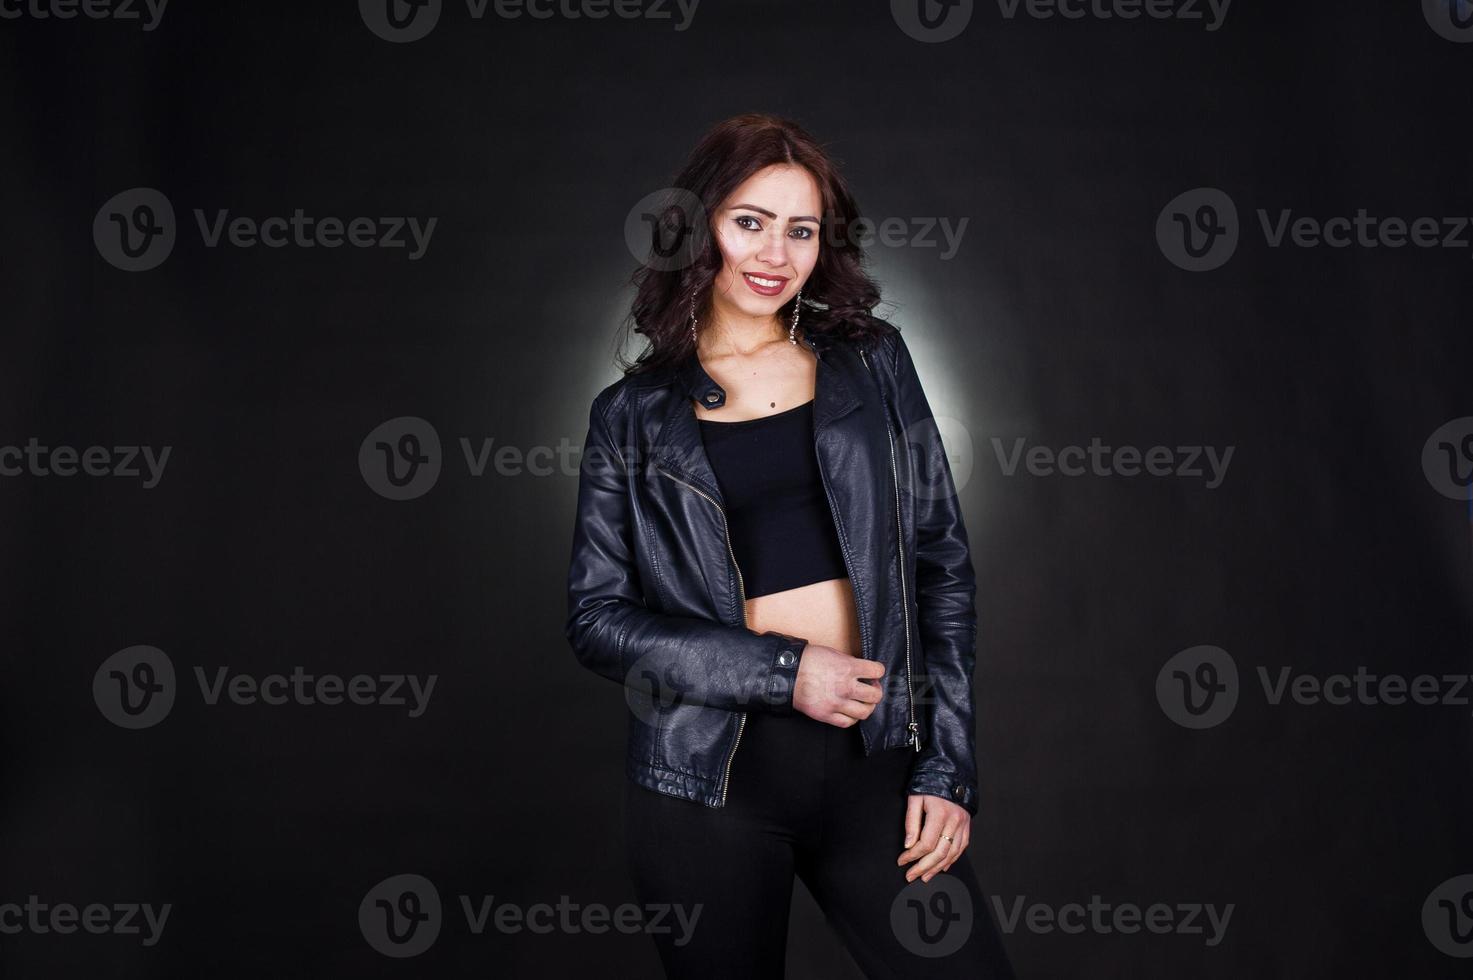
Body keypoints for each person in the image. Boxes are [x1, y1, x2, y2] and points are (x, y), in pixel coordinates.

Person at [565, 112, 1014, 978]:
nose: (775, 253)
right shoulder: (629, 417)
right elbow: (596, 620)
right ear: (699, 227)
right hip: (704, 782)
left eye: (800, 230)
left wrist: (946, 767)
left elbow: (939, 564)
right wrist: (781, 671)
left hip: (875, 761)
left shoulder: (871, 361)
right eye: (749, 222)